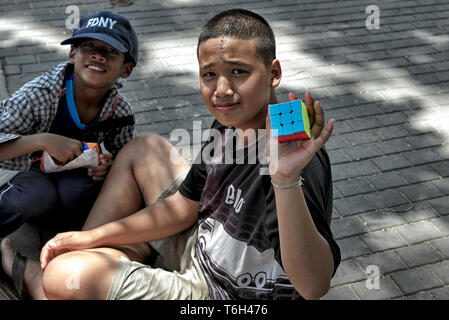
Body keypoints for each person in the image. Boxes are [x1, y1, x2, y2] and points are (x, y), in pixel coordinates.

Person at [37, 8, 340, 300]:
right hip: (202, 246)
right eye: (209, 74)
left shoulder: (295, 158)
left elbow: (313, 286)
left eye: (238, 72)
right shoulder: (228, 124)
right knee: (144, 148)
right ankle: (119, 255)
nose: (221, 89)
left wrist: (285, 178)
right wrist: (89, 238)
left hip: (221, 292)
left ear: (273, 73)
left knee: (61, 274)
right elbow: (184, 206)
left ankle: (80, 275)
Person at [0, 10, 138, 298]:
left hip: (72, 188)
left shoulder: (120, 112)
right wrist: (43, 140)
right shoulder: (40, 94)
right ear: (73, 53)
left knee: (84, 187)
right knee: (34, 194)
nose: (98, 56)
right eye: (89, 47)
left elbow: (126, 163)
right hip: (27, 177)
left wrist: (108, 167)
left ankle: (62, 242)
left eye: (111, 52)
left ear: (126, 68)